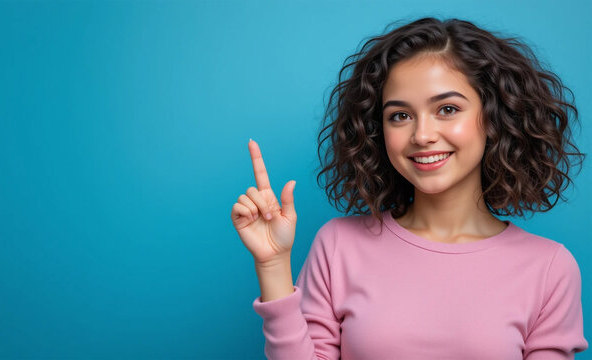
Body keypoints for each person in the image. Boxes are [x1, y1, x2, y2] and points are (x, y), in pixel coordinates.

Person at [230, 16, 588, 359]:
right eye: (400, 116)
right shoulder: (338, 245)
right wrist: (273, 264)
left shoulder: (550, 269)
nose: (422, 135)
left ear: (494, 117)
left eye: (447, 109)